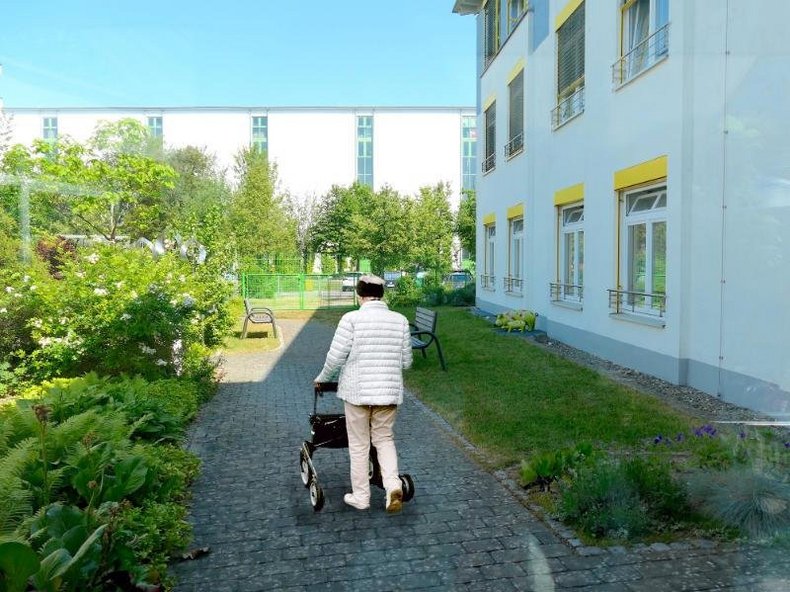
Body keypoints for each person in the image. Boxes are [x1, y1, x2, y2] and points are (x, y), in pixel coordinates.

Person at [314, 274, 413, 512]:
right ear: (382, 295)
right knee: (384, 439)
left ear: (359, 295)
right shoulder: (400, 320)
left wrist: (322, 378)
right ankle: (392, 486)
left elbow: (336, 357)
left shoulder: (351, 319)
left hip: (357, 392)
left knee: (359, 445)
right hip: (388, 393)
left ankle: (361, 497)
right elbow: (407, 362)